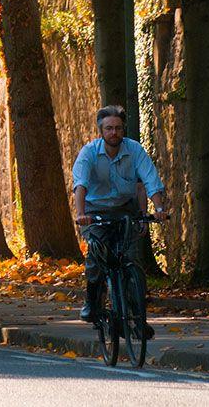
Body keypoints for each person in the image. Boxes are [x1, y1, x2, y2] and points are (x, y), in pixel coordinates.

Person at [71, 105, 169, 337]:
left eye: (117, 128)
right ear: (101, 131)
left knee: (132, 262)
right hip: (96, 211)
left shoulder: (134, 150)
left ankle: (138, 317)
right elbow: (80, 185)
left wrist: (159, 208)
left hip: (126, 209)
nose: (113, 132)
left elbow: (150, 180)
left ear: (123, 129)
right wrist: (81, 213)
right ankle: (92, 303)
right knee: (96, 256)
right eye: (109, 128)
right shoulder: (89, 153)